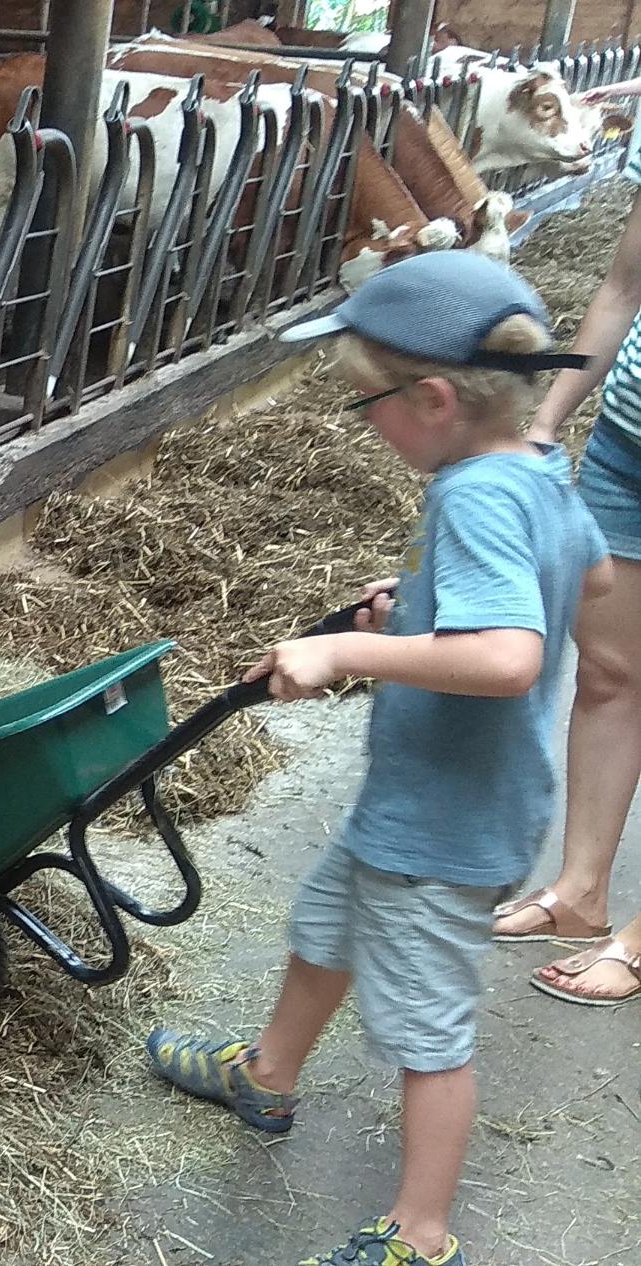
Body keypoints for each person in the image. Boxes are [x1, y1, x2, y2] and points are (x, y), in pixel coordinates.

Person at [142, 252, 608, 1266]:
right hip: (424, 805)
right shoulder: (535, 469)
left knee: (428, 1035)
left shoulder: (475, 497)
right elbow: (592, 573)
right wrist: (424, 614)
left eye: (367, 403)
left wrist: (346, 650)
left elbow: (507, 656)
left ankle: (420, 1232)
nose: (364, 421)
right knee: (324, 928)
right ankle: (266, 1075)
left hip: (444, 831)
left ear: (432, 399)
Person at [494, 140, 641, 1008]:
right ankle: (581, 893)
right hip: (630, 441)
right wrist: (549, 418)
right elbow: (627, 284)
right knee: (611, 671)